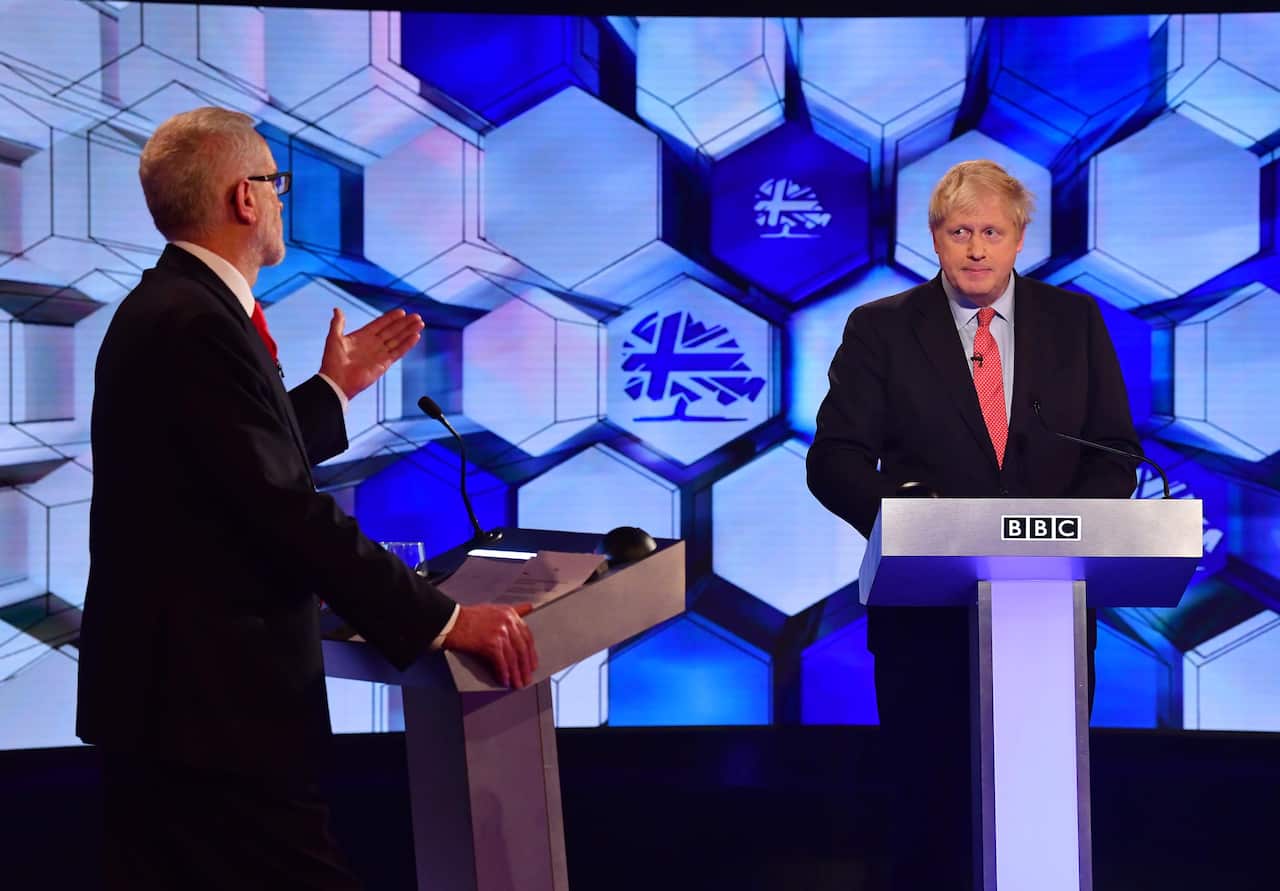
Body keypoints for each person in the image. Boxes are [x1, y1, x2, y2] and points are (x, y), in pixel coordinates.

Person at [75, 106, 538, 890]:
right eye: (275, 182)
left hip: (174, 709)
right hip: (211, 713)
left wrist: (331, 391)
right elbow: (284, 507)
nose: (280, 199)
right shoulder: (193, 322)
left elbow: (228, 461)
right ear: (243, 198)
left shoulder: (175, 307)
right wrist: (445, 619)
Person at [806, 160, 1140, 890]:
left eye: (992, 231)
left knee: (1042, 814)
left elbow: (1115, 452)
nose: (977, 248)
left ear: (1020, 238)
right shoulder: (882, 328)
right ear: (935, 238)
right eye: (961, 232)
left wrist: (1061, 532)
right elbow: (834, 459)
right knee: (927, 821)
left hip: (1048, 616)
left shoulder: (1074, 323)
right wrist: (912, 530)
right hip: (923, 623)